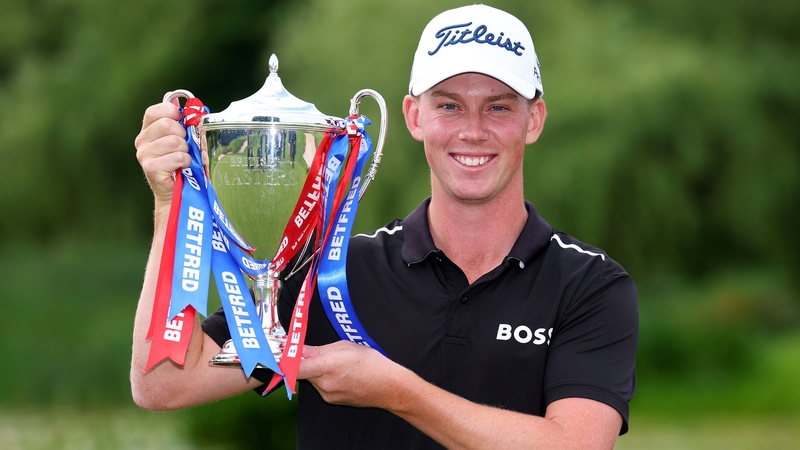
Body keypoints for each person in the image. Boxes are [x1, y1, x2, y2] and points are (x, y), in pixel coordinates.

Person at [132, 4, 638, 449]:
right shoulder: (333, 274)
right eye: (449, 105)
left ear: (535, 120)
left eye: (499, 107)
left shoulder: (590, 286)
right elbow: (162, 385)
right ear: (414, 117)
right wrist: (170, 210)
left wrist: (397, 392)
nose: (473, 130)